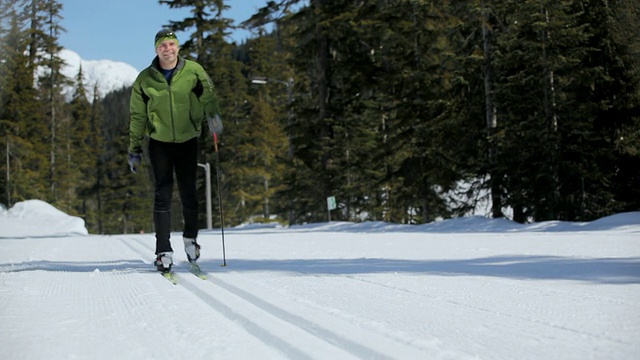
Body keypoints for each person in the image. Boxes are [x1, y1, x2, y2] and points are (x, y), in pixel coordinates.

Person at [128, 29, 222, 273]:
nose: (167, 48)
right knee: (163, 193)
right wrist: (134, 148)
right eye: (162, 45)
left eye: (171, 44)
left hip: (188, 139)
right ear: (156, 49)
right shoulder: (144, 79)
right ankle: (163, 251)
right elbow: (137, 116)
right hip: (159, 142)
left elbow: (208, 95)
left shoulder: (193, 71)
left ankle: (191, 240)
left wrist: (212, 116)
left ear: (178, 48)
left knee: (189, 191)